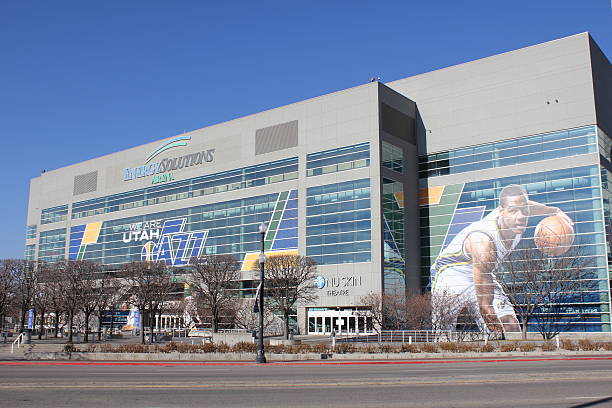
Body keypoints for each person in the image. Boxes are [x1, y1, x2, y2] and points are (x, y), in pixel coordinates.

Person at [430, 184, 573, 334]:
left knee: (511, 326)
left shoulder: (517, 217)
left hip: (482, 271)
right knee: (443, 332)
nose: (521, 216)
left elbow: (527, 206)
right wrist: (497, 335)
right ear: (501, 212)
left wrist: (555, 211)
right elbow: (486, 306)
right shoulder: (484, 242)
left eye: (524, 211)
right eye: (513, 211)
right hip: (451, 276)